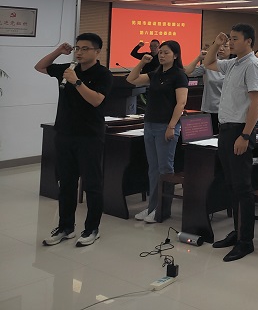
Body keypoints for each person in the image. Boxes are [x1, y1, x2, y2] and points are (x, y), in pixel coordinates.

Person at [36, 33, 113, 247]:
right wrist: (58, 52)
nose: (79, 52)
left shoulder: (103, 74)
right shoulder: (68, 68)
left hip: (89, 136)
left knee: (92, 184)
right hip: (64, 134)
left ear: (97, 52)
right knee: (66, 183)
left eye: (85, 49)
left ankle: (92, 228)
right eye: (77, 48)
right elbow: (40, 67)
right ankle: (65, 227)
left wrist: (76, 82)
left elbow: (96, 100)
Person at [203, 24, 258, 262]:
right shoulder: (233, 63)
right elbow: (208, 63)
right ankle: (237, 232)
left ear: (248, 41)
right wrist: (216, 44)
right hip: (226, 130)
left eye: (235, 39)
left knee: (242, 187)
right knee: (231, 185)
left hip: (240, 130)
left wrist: (246, 135)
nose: (230, 42)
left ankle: (245, 241)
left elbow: (256, 103)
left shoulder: (252, 65)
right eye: (229, 38)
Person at [126, 40, 188, 223]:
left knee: (164, 169)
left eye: (166, 52)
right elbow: (131, 79)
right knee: (153, 169)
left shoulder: (179, 75)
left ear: (175, 55)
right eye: (160, 52)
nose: (161, 55)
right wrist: (142, 62)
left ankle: (162, 209)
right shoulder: (155, 74)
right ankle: (152, 206)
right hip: (150, 124)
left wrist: (171, 126)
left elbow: (181, 103)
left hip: (166, 126)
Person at [184, 41, 231, 133]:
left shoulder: (234, 65)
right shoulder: (208, 65)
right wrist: (199, 58)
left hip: (227, 111)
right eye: (218, 46)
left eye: (225, 46)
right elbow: (187, 72)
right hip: (209, 109)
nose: (221, 49)